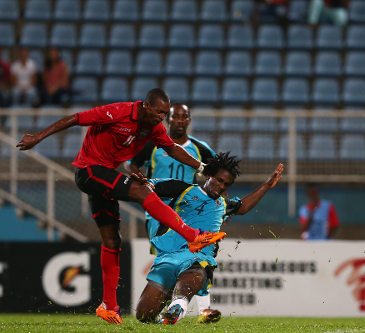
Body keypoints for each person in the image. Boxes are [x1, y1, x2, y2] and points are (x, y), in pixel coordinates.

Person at [16, 88, 225, 325]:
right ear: (146, 105)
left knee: (113, 241)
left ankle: (108, 306)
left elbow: (172, 148)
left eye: (164, 113)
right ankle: (192, 236)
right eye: (159, 112)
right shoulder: (118, 112)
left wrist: (200, 167)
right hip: (89, 170)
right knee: (141, 192)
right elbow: (74, 119)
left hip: (103, 178)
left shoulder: (155, 128)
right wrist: (38, 137)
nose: (161, 117)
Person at [135, 152, 284, 325]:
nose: (221, 186)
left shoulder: (223, 204)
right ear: (208, 175)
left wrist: (266, 185)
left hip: (198, 256)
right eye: (219, 180)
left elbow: (243, 207)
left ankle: (179, 305)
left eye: (226, 184)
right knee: (144, 315)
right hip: (169, 256)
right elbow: (148, 187)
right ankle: (165, 319)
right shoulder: (183, 190)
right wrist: (143, 182)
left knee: (197, 270)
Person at [130, 103, 218, 320]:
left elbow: (218, 173)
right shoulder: (152, 145)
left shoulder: (200, 148)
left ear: (189, 120)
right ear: (167, 119)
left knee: (197, 255)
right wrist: (138, 178)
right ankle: (167, 309)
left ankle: (202, 309)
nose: (179, 120)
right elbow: (131, 164)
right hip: (156, 212)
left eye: (184, 116)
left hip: (188, 213)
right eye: (175, 116)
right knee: (167, 260)